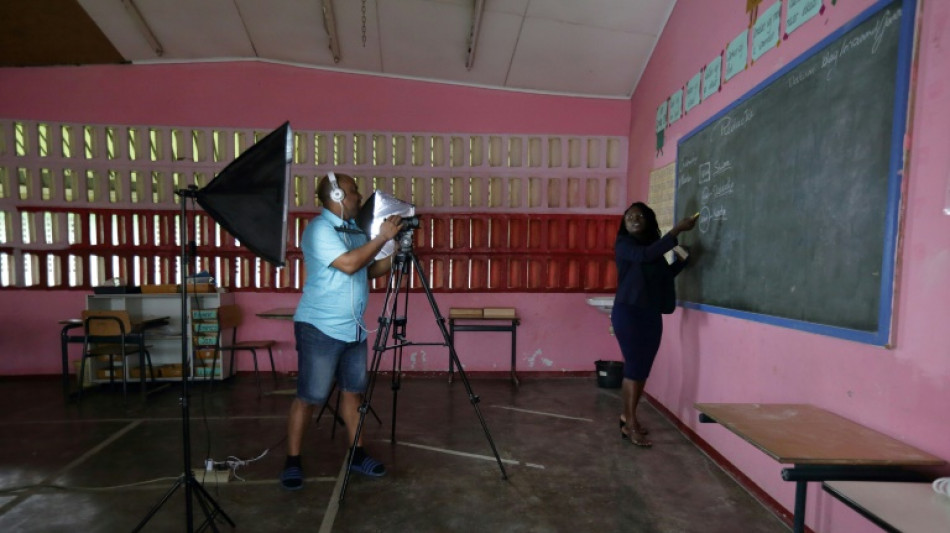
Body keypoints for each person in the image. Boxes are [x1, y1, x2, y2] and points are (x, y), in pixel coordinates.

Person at [279, 172, 402, 491]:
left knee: (353, 392)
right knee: (310, 396)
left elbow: (369, 269)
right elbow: (348, 264)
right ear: (336, 195)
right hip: (320, 327)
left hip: (354, 328)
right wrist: (380, 238)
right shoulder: (319, 230)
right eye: (353, 191)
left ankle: (357, 453)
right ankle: (292, 460)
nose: (359, 196)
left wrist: (393, 248)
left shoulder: (353, 231)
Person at [612, 202, 698, 447]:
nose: (634, 219)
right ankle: (629, 425)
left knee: (642, 370)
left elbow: (663, 275)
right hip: (629, 313)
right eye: (629, 216)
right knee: (634, 369)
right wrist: (677, 231)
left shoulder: (651, 248)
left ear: (648, 220)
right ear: (624, 222)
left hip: (650, 314)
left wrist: (683, 260)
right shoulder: (625, 245)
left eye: (639, 216)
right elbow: (644, 257)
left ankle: (627, 416)